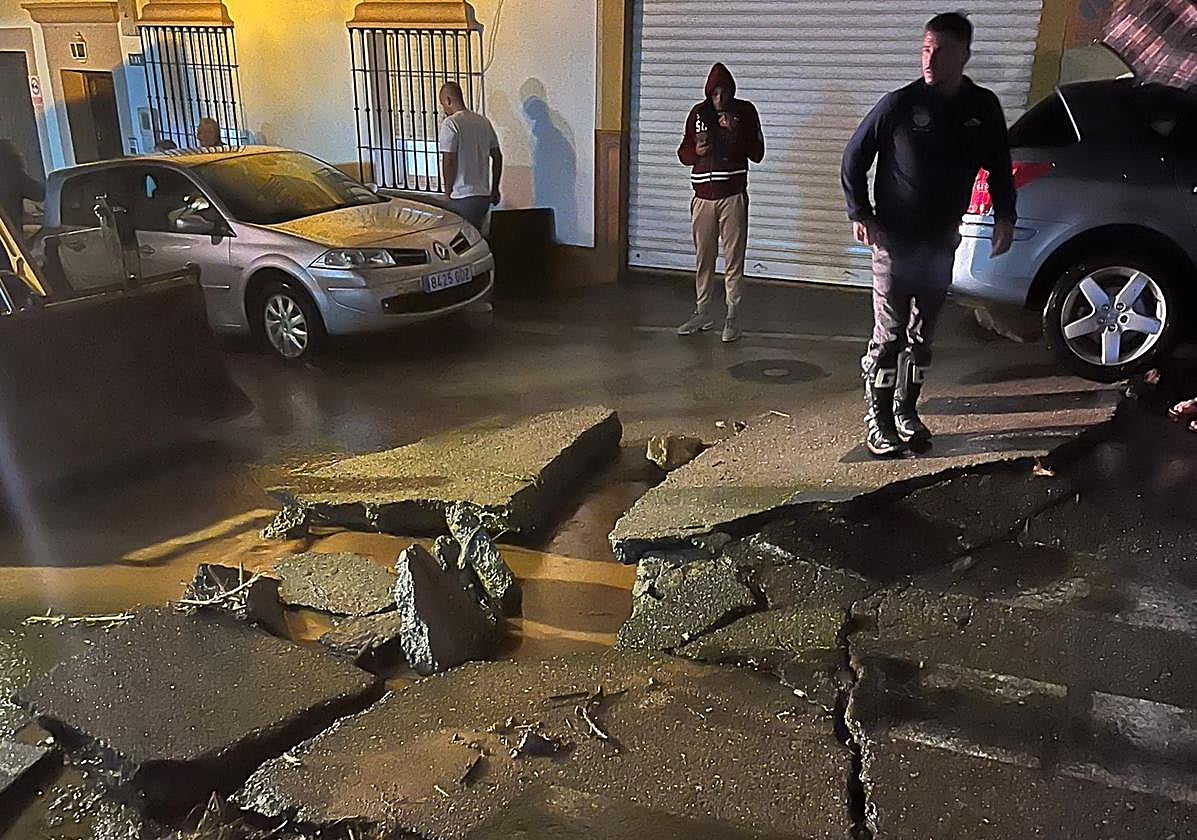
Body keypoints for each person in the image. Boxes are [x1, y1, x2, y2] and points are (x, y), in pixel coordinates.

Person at [842, 12, 1016, 457]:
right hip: (894, 242)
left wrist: (1005, 217)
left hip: (941, 242)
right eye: (925, 49)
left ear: (964, 55)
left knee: (922, 336)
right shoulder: (898, 105)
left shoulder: (982, 108)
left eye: (940, 51)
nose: (929, 59)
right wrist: (860, 213)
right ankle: (879, 420)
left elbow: (999, 167)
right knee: (890, 333)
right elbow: (854, 158)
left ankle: (907, 411)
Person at [676, 63, 764, 343]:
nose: (720, 98)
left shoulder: (745, 112)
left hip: (732, 194)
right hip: (702, 196)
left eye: (724, 92)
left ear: (732, 91)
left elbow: (758, 153)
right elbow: (683, 152)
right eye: (715, 93)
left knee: (733, 257)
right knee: (704, 257)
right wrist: (695, 151)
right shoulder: (698, 114)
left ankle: (732, 315)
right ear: (708, 92)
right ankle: (702, 311)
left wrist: (736, 132)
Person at [437, 81, 502, 232]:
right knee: (476, 236)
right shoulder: (483, 122)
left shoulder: (450, 124)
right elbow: (497, 157)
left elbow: (449, 160)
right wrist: (495, 189)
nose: (444, 109)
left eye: (443, 104)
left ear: (448, 100)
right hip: (483, 197)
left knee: (459, 239)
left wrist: (447, 192)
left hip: (461, 197)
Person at [0, 139, 44, 235]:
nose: (22, 157)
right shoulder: (14, 176)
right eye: (18, 155)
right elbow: (42, 193)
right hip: (10, 237)